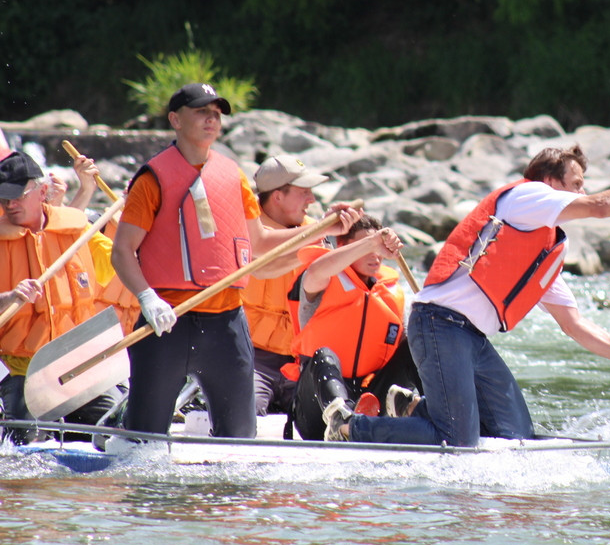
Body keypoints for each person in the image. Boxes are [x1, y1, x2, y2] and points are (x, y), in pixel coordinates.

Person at [322, 145, 610, 446]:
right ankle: (349, 426)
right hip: (439, 324)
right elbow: (600, 206)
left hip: (470, 337)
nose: (581, 193)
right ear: (549, 182)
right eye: (575, 183)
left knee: (514, 434)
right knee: (457, 439)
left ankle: (412, 409)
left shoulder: (541, 248)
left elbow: (574, 324)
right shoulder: (529, 196)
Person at [111, 83, 359, 438]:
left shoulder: (233, 175)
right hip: (166, 321)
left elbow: (261, 244)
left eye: (216, 113)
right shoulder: (152, 179)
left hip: (225, 324)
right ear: (174, 120)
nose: (211, 119)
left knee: (240, 438)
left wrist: (323, 228)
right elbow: (122, 251)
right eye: (201, 112)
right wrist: (148, 298)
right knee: (143, 439)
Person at [0, 151, 122, 442]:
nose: (10, 205)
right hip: (23, 372)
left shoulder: (77, 228)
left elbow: (124, 261)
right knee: (22, 445)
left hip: (78, 368)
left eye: (18, 196)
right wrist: (8, 297)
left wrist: (137, 215)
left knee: (116, 437)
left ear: (42, 191)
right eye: (4, 198)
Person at [288, 214, 420, 441]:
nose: (375, 255)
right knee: (324, 354)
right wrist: (371, 242)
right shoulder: (322, 279)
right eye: (368, 248)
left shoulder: (391, 293)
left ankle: (433, 412)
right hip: (317, 407)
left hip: (367, 396)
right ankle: (342, 421)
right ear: (344, 247)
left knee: (416, 344)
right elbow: (317, 270)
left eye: (379, 249)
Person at [241, 154, 330, 417]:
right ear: (277, 196)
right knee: (246, 415)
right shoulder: (243, 232)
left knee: (324, 418)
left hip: (301, 361)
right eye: (304, 192)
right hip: (252, 359)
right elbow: (263, 268)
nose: (312, 200)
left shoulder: (320, 232)